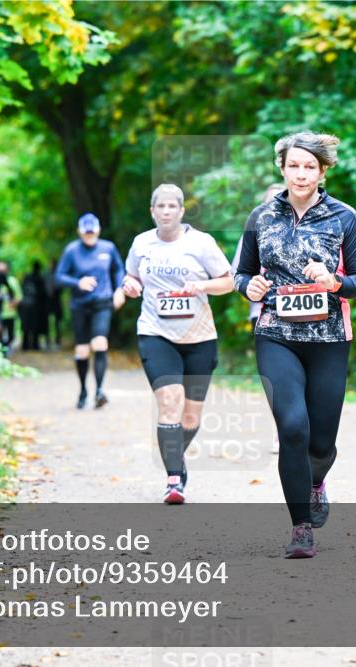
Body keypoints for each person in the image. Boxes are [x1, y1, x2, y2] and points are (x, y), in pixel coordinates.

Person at [234, 132, 356, 558]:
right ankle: (300, 528)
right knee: (293, 428)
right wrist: (250, 287)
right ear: (282, 168)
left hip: (329, 338)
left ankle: (316, 481)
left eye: (309, 166)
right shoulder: (261, 217)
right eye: (293, 165)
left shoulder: (344, 217)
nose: (301, 173)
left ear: (323, 171)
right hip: (276, 334)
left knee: (321, 442)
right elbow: (241, 274)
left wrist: (335, 282)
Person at [122, 184, 234, 504]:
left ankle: (175, 456)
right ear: (153, 211)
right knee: (170, 402)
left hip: (200, 337)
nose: (167, 212)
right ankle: (174, 480)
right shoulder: (141, 243)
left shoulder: (201, 243)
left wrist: (200, 284)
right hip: (155, 333)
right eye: (161, 207)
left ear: (182, 211)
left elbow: (228, 281)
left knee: (190, 418)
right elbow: (132, 278)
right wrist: (130, 285)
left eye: (173, 206)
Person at [231, 184, 284, 455]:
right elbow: (238, 274)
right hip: (264, 313)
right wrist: (251, 286)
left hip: (308, 316)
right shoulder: (255, 228)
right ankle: (281, 432)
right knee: (277, 379)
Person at [55, 214, 126, 409]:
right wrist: (78, 282)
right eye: (86, 233)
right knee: (82, 350)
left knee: (100, 343)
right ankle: (83, 390)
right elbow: (59, 277)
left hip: (102, 302)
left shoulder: (108, 248)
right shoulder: (71, 251)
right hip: (80, 305)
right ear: (79, 232)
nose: (89, 235)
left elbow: (119, 269)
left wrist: (119, 289)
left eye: (92, 232)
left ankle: (99, 391)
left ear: (98, 230)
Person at [19, 261, 48, 351]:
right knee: (34, 326)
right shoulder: (39, 279)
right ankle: (34, 345)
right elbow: (43, 293)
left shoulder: (27, 277)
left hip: (27, 305)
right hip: (35, 306)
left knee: (26, 326)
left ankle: (26, 345)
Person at [0, 261, 22, 355]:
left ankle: (8, 347)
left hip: (10, 313)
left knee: (11, 334)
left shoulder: (12, 281)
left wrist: (13, 304)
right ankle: (1, 350)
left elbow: (19, 296)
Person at [45, 257, 64, 350]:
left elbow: (61, 288)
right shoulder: (47, 275)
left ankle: (57, 341)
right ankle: (48, 341)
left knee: (57, 322)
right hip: (48, 301)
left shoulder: (58, 275)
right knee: (47, 322)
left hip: (56, 300)